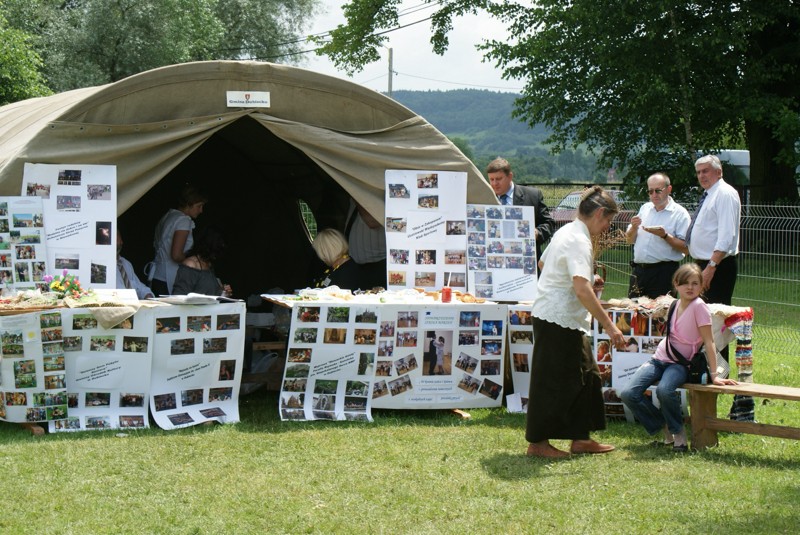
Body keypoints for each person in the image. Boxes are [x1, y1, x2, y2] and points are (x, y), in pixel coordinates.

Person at [526, 186, 626, 459]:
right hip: (556, 319)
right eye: (608, 221)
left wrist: (586, 278)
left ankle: (581, 438)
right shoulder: (579, 240)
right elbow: (581, 290)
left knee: (588, 375)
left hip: (561, 318)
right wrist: (610, 326)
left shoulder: (566, 231)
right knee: (551, 381)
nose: (607, 228)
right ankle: (537, 443)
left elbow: (544, 264)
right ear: (599, 213)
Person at [619, 263, 738, 451]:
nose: (690, 287)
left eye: (695, 283)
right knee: (628, 393)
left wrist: (715, 375)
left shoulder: (699, 307)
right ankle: (664, 427)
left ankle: (679, 434)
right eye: (685, 283)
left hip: (680, 364)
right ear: (676, 284)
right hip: (659, 359)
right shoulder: (674, 304)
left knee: (665, 390)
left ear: (702, 286)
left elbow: (709, 341)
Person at [683, 154, 741, 307]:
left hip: (717, 266)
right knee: (700, 313)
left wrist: (711, 267)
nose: (701, 176)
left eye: (705, 171)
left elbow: (726, 236)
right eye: (698, 172)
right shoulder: (710, 194)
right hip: (705, 264)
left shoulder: (724, 193)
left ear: (719, 172)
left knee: (713, 315)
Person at [625, 173, 691, 298]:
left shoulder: (680, 214)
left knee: (660, 310)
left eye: (658, 190)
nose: (654, 195)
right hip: (639, 272)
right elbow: (628, 240)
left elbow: (686, 249)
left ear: (669, 189)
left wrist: (665, 236)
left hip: (663, 273)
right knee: (633, 309)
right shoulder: (645, 208)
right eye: (650, 191)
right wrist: (633, 228)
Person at [486, 157, 555, 259]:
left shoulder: (532, 196)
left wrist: (537, 233)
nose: (494, 184)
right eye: (491, 179)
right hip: (495, 259)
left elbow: (549, 223)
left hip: (526, 259)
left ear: (510, 176)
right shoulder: (484, 199)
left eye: (499, 179)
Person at [149, 185, 207, 295]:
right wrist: (196, 262)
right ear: (189, 204)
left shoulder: (168, 216)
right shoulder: (183, 221)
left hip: (157, 274)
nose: (201, 210)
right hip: (169, 277)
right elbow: (176, 256)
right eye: (199, 206)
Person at [172, 227, 232, 296]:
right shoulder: (191, 264)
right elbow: (179, 295)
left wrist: (222, 292)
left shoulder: (208, 264)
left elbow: (207, 291)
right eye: (217, 250)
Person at [344, 199, 387, 289]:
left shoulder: (365, 196)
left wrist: (357, 195)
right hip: (356, 264)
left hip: (376, 265)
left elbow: (372, 222)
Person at [116, 230, 154, 299]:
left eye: (118, 239)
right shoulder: (100, 267)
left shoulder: (126, 264)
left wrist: (147, 294)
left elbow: (138, 286)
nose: (120, 242)